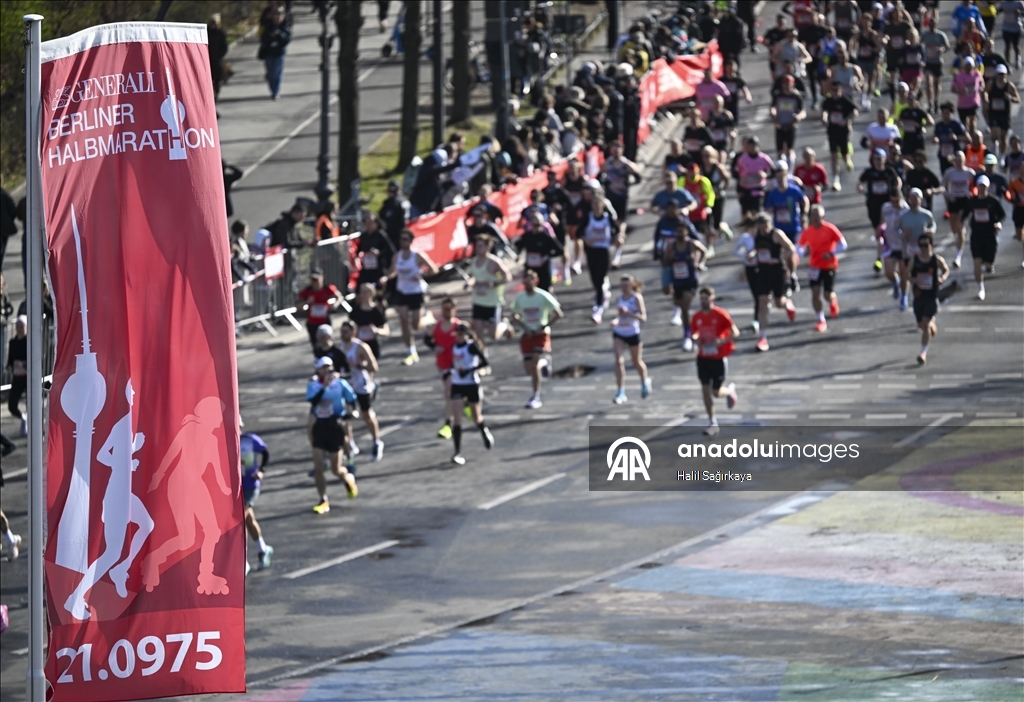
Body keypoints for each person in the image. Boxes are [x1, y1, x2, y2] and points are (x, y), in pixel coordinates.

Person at [306, 357, 358, 514]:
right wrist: (325, 386)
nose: (327, 370)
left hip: (335, 427)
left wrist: (353, 411)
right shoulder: (314, 385)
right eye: (323, 367)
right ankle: (323, 499)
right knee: (318, 466)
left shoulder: (340, 384)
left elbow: (351, 398)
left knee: (336, 469)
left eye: (329, 367)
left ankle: (347, 477)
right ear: (318, 369)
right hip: (320, 427)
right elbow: (313, 402)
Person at [508, 270, 563, 409]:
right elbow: (514, 314)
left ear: (535, 281)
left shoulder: (543, 296)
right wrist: (523, 326)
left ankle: (536, 395)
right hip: (527, 334)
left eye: (529, 281)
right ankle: (545, 362)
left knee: (534, 363)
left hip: (540, 334)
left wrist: (544, 326)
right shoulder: (520, 298)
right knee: (529, 369)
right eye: (524, 281)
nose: (527, 284)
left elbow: (558, 313)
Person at [690, 286, 739, 436]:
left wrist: (722, 341)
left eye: (706, 299)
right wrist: (696, 340)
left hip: (718, 358)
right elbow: (694, 333)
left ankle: (729, 391)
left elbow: (735, 332)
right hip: (703, 357)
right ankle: (712, 422)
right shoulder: (697, 317)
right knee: (705, 390)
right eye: (701, 299)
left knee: (716, 392)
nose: (703, 302)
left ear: (712, 299)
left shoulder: (721, 314)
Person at [388, 229, 439, 365]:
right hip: (402, 291)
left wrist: (422, 275)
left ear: (411, 241)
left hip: (416, 292)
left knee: (416, 325)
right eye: (401, 239)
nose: (402, 242)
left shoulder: (417, 256)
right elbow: (392, 271)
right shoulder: (396, 256)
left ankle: (427, 318)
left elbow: (434, 269)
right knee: (403, 320)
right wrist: (386, 277)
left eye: (405, 239)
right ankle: (411, 351)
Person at [448, 323, 494, 465]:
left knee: (476, 416)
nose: (459, 338)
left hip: (471, 384)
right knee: (457, 418)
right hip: (457, 384)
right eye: (457, 335)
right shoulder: (454, 347)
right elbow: (454, 363)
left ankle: (483, 430)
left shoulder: (471, 347)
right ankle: (457, 452)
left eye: (461, 335)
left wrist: (470, 370)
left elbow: (485, 362)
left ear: (466, 335)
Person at [751, 213, 798, 352]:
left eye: (766, 226)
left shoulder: (776, 234)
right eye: (761, 226)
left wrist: (781, 257)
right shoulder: (756, 234)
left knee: (779, 302)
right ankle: (763, 337)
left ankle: (787, 303)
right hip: (763, 271)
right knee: (762, 302)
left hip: (777, 271)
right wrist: (752, 255)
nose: (764, 229)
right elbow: (756, 249)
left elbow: (791, 248)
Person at [797, 205, 847, 332]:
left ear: (822, 217)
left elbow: (843, 244)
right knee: (815, 293)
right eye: (813, 216)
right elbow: (799, 246)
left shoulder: (830, 229)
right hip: (814, 266)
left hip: (829, 265)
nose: (815, 219)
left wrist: (831, 253)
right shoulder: (808, 231)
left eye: (817, 216)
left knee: (827, 294)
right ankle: (820, 319)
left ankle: (832, 300)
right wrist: (803, 253)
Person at [338, 321, 383, 461]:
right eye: (341, 331)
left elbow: (374, 367)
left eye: (346, 331)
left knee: (366, 414)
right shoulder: (340, 348)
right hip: (347, 385)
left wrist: (358, 365)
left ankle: (376, 441)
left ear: (353, 332)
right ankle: (350, 444)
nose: (343, 334)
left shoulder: (361, 347)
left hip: (361, 384)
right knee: (345, 416)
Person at [764, 161, 809, 293]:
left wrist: (804, 214)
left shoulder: (793, 190)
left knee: (788, 252)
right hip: (779, 228)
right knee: (783, 254)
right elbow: (768, 209)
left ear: (786, 174)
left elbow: (804, 200)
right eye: (777, 175)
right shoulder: (773, 193)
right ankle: (788, 278)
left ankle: (792, 275)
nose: (780, 177)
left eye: (782, 174)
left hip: (793, 227)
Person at [664, 222, 708, 352]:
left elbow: (704, 251)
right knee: (683, 310)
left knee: (685, 306)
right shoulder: (671, 247)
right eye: (677, 232)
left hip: (690, 280)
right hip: (677, 281)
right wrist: (669, 258)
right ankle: (688, 332)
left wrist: (700, 263)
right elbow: (665, 263)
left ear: (687, 232)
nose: (680, 234)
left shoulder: (692, 244)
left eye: (682, 231)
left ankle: (688, 336)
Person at [581, 188, 623, 324]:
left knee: (599, 280)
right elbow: (578, 233)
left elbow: (616, 230)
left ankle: (598, 310)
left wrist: (616, 239)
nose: (596, 206)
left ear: (603, 204)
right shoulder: (588, 217)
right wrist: (586, 240)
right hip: (592, 251)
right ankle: (602, 293)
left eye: (599, 203)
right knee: (594, 279)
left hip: (603, 251)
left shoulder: (607, 218)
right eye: (594, 203)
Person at [610, 275, 651, 404]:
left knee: (636, 361)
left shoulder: (636, 298)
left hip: (632, 332)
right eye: (622, 286)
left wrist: (630, 313)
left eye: (626, 286)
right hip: (619, 332)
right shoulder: (619, 298)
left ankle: (645, 381)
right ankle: (621, 391)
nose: (624, 289)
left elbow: (643, 318)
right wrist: (615, 321)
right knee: (618, 360)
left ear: (632, 285)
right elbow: (619, 316)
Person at [964, 175, 1006, 300]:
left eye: (984, 186)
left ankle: (988, 264)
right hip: (976, 235)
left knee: (988, 263)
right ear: (977, 187)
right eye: (980, 186)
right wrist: (962, 223)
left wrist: (998, 223)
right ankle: (981, 288)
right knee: (976, 262)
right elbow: (966, 213)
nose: (981, 189)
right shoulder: (972, 201)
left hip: (990, 235)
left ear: (988, 187)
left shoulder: (993, 201)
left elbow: (1002, 215)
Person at [600, 141, 641, 268]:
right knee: (609, 221)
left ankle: (617, 253)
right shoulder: (608, 163)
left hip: (622, 198)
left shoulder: (626, 164)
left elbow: (638, 177)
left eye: (618, 149)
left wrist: (627, 186)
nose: (616, 151)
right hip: (610, 197)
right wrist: (606, 185)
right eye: (614, 148)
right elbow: (599, 176)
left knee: (620, 224)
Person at [910, 234, 949, 364]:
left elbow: (946, 270)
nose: (923, 248)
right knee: (922, 325)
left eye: (925, 245)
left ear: (931, 245)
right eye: (920, 245)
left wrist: (942, 278)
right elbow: (905, 274)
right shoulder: (914, 260)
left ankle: (923, 353)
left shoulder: (936, 260)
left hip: (931, 296)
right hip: (919, 296)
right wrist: (913, 280)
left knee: (925, 324)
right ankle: (931, 324)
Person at [468, 235, 511, 351]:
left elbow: (507, 277)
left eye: (481, 246)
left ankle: (505, 325)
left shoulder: (494, 262)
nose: (477, 248)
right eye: (476, 246)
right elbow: (474, 277)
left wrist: (494, 283)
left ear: (488, 247)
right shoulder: (474, 261)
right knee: (478, 334)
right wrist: (470, 283)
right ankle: (483, 358)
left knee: (493, 335)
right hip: (478, 302)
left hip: (493, 303)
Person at [240, 428, 272, 572]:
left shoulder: (249, 439)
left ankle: (243, 562)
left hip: (250, 486)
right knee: (248, 519)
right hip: (235, 488)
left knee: (240, 520)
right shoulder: (223, 440)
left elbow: (265, 452)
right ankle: (263, 549)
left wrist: (261, 471)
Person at [941, 150, 977, 268]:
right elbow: (943, 188)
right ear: (954, 161)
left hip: (965, 201)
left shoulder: (970, 173)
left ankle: (958, 257)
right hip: (954, 200)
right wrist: (948, 196)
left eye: (961, 159)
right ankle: (959, 236)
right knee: (954, 228)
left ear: (964, 160)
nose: (959, 162)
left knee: (961, 228)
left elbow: (976, 187)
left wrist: (973, 194)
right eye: (957, 160)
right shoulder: (949, 173)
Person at [820, 82, 859, 191]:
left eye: (837, 90)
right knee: (833, 156)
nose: (835, 92)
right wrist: (824, 118)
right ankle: (836, 180)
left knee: (844, 153)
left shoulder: (845, 100)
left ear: (840, 90)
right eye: (833, 90)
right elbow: (825, 111)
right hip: (832, 130)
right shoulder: (828, 101)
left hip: (843, 131)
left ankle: (847, 159)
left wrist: (847, 121)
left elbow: (854, 112)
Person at [516, 210, 563, 291]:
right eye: (535, 225)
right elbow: (519, 246)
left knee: (545, 289)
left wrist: (547, 256)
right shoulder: (527, 236)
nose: (537, 227)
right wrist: (518, 254)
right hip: (530, 269)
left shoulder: (546, 237)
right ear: (530, 224)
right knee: (531, 290)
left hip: (543, 268)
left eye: (539, 225)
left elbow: (559, 250)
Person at [733, 136, 777, 222]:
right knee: (746, 215)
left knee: (756, 213)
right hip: (745, 189)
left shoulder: (764, 158)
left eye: (754, 146)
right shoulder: (742, 159)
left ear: (758, 146)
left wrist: (765, 176)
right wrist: (741, 179)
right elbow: (735, 173)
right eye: (750, 146)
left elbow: (774, 172)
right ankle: (746, 232)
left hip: (758, 189)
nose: (752, 148)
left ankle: (756, 230)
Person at [880, 189, 911, 309]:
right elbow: (882, 222)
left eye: (897, 201)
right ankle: (894, 281)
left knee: (904, 274)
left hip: (903, 246)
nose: (894, 204)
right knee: (888, 272)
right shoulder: (886, 208)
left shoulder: (907, 211)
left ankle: (904, 296)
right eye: (892, 201)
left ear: (902, 198)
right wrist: (881, 229)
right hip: (889, 244)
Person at [983, 65, 1020, 158]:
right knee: (994, 133)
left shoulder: (1009, 86)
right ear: (996, 74)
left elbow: (1018, 99)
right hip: (994, 113)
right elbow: (985, 92)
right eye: (999, 74)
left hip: (1004, 114)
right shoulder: (991, 84)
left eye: (1003, 74)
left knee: (1003, 137)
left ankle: (1002, 156)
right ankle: (995, 145)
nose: (1001, 76)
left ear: (1006, 75)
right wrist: (986, 99)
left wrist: (1010, 98)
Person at [771, 75, 806, 168]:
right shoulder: (778, 95)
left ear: (793, 84)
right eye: (785, 84)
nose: (786, 86)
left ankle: (790, 169)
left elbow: (802, 111)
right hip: (780, 124)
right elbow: (773, 107)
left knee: (789, 150)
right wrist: (774, 115)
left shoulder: (796, 96)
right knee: (779, 150)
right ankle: (780, 169)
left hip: (791, 125)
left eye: (788, 84)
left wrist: (798, 116)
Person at [298, 269, 341, 346]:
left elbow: (339, 296)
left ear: (322, 278)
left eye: (316, 279)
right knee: (316, 346)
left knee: (327, 344)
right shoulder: (307, 291)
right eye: (312, 280)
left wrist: (336, 304)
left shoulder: (328, 288)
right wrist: (306, 302)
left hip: (325, 321)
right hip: (312, 323)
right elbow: (297, 306)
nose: (314, 282)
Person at [259, 5, 291, 100]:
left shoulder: (284, 27)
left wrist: (280, 35)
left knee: (277, 73)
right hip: (269, 53)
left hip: (279, 53)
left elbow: (287, 39)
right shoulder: (269, 26)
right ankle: (272, 88)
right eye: (276, 16)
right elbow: (263, 39)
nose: (278, 18)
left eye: (280, 16)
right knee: (270, 73)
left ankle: (275, 92)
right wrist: (270, 36)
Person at [922, 15, 951, 113]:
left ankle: (936, 101)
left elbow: (947, 46)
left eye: (933, 25)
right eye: (930, 25)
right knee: (928, 82)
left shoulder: (940, 35)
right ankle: (930, 103)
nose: (931, 26)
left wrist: (941, 49)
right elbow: (919, 43)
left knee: (936, 83)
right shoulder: (925, 35)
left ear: (936, 25)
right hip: (928, 62)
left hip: (937, 62)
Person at [5, 315, 26, 437]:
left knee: (32, 402)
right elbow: (10, 361)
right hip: (17, 377)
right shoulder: (12, 342)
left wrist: (24, 364)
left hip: (28, 378)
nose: (19, 329)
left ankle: (35, 425)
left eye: (21, 326)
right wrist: (9, 367)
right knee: (12, 405)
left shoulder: (29, 341)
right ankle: (23, 417)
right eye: (17, 326)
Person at [951, 56, 983, 133]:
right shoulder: (959, 76)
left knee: (972, 122)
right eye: (966, 65)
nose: (968, 68)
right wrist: (960, 92)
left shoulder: (976, 74)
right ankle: (968, 141)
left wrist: (980, 88)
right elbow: (952, 88)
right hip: (962, 104)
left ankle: (973, 139)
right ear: (964, 66)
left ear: (973, 66)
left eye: (970, 66)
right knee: (964, 125)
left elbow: (981, 83)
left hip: (974, 102)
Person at [1007, 162, 1024, 268]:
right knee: (1019, 236)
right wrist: (1012, 199)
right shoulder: (1014, 182)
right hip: (1018, 209)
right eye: (1022, 169)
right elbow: (1010, 194)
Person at [1003, 0, 1024, 69]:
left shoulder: (1019, 3)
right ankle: (1007, 63)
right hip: (1006, 27)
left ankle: (1017, 59)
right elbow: (998, 10)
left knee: (1015, 45)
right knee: (1007, 45)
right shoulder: (1003, 2)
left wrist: (1020, 12)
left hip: (1016, 27)